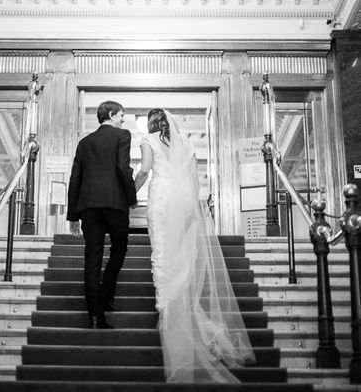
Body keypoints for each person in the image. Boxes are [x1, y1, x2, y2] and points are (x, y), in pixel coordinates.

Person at [134, 108, 255, 384]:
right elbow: (193, 180)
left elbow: (144, 170)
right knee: (179, 255)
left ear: (152, 124)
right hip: (186, 204)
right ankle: (177, 309)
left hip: (162, 200)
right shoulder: (187, 145)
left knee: (162, 252)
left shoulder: (147, 140)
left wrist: (130, 190)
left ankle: (168, 311)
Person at [66, 100, 137, 329]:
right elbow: (122, 168)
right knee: (120, 248)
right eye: (121, 115)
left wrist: (72, 215)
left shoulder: (84, 143)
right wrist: (132, 198)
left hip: (89, 206)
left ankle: (94, 315)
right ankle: (106, 294)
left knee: (92, 257)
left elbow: (75, 178)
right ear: (111, 114)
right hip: (115, 203)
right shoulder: (122, 135)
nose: (123, 119)